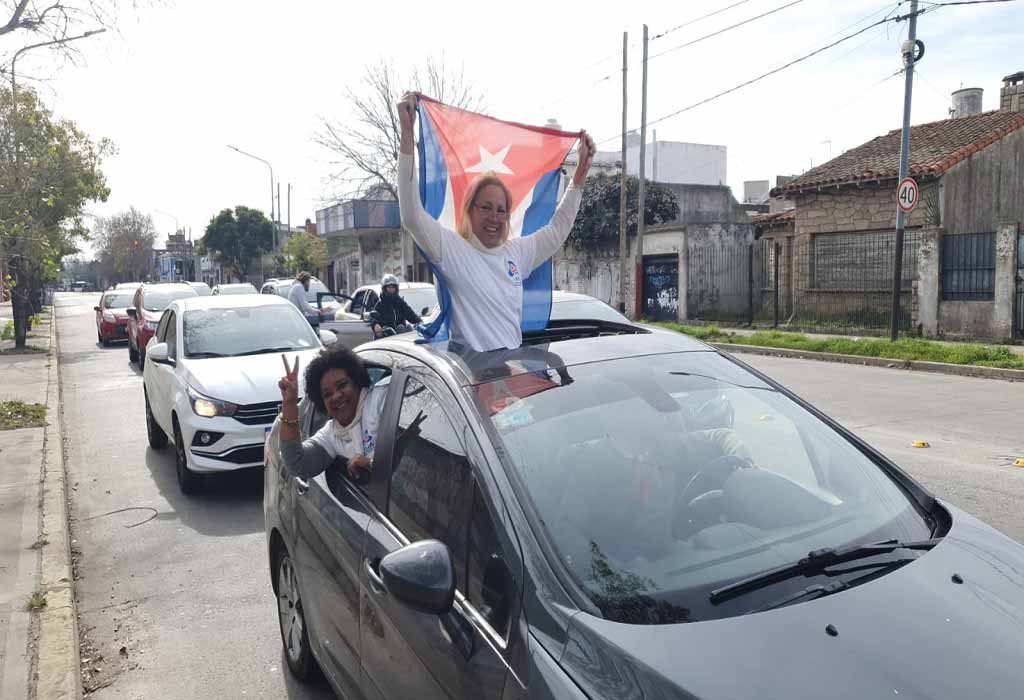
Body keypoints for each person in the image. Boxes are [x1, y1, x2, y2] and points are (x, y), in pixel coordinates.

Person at [396, 92, 595, 352]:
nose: (494, 218)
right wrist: (408, 134)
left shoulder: (516, 253)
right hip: (470, 383)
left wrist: (579, 178)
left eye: (502, 210)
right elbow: (411, 215)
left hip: (512, 377)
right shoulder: (451, 249)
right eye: (486, 208)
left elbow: (556, 231)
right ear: (469, 209)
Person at [277, 345, 387, 481]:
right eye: (327, 394)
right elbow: (296, 463)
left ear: (357, 382)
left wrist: (370, 464)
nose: (336, 396)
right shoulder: (332, 433)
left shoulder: (381, 400)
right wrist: (290, 404)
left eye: (342, 385)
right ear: (321, 401)